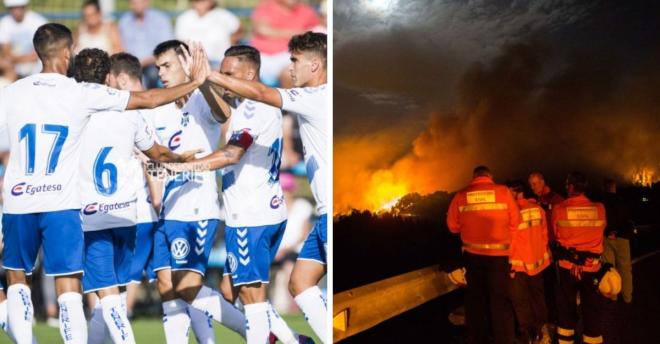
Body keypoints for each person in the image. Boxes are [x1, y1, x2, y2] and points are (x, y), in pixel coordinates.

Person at [0, 23, 209, 344]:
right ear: (67, 52)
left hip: (18, 201)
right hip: (62, 204)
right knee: (69, 287)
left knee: (17, 280)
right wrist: (196, 81)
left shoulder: (10, 92)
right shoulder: (80, 92)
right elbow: (150, 98)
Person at [164, 44, 313, 344]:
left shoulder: (253, 109)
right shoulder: (253, 104)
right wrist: (204, 81)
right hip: (266, 211)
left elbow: (231, 155)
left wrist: (184, 167)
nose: (224, 79)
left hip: (249, 215)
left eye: (229, 75)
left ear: (249, 73)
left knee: (252, 298)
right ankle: (294, 340)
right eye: (222, 73)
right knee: (231, 291)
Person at [201, 31, 328, 342]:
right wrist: (205, 83)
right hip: (306, 210)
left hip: (256, 213)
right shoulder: (304, 100)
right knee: (299, 283)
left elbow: (259, 97)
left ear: (315, 66)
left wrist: (208, 75)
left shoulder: (315, 97)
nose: (290, 68)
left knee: (252, 297)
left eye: (296, 61)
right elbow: (228, 107)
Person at [72, 48, 200, 344]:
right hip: (127, 216)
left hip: (91, 217)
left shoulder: (71, 114)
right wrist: (181, 159)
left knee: (108, 298)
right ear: (107, 77)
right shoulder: (130, 114)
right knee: (111, 295)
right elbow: (158, 154)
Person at [146, 40, 246, 343]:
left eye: (167, 65)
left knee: (187, 286)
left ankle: (258, 331)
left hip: (196, 207)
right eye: (158, 67)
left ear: (186, 63)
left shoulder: (201, 101)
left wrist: (202, 83)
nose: (161, 73)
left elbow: (223, 112)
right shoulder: (156, 110)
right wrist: (156, 188)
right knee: (168, 287)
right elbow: (155, 161)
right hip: (167, 209)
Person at [446, 165, 520, 344]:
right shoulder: (503, 192)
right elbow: (516, 221)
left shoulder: (461, 195)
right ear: (490, 177)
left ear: (474, 177)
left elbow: (452, 227)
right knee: (499, 304)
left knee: (476, 304)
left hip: (472, 259)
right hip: (499, 259)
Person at [551, 172, 607, 344]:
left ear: (571, 187)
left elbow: (555, 234)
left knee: (566, 308)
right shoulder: (599, 208)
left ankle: (566, 341)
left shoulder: (559, 210)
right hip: (591, 268)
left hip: (567, 267)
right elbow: (601, 230)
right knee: (591, 309)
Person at [507, 180, 551, 343]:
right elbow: (544, 235)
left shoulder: (512, 213)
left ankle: (527, 335)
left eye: (508, 192)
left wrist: (509, 264)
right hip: (537, 263)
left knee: (520, 300)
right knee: (538, 297)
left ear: (516, 192)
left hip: (517, 265)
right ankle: (542, 331)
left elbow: (510, 242)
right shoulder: (538, 209)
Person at [251, 0, 319, 87]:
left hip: (290, 56)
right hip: (261, 57)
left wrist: (274, 32)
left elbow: (316, 33)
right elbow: (262, 30)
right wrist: (299, 33)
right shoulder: (266, 6)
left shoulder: (307, 11)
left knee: (291, 74)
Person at [118, 0, 173, 89]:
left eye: (140, 2)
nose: (137, 5)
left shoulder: (161, 20)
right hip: (131, 64)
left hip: (154, 64)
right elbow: (121, 46)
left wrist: (143, 62)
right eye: (134, 3)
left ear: (147, 2)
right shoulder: (124, 21)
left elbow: (166, 49)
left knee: (152, 74)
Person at [175, 0, 242, 70]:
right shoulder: (183, 18)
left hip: (219, 61)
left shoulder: (224, 15)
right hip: (193, 63)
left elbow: (238, 29)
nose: (201, 3)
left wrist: (231, 50)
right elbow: (180, 43)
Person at [0, 0, 47, 78]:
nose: (15, 11)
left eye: (18, 7)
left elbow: (39, 54)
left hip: (35, 65)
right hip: (15, 65)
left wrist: (14, 59)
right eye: (12, 8)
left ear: (24, 7)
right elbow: (6, 53)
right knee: (8, 68)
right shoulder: (4, 23)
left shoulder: (38, 21)